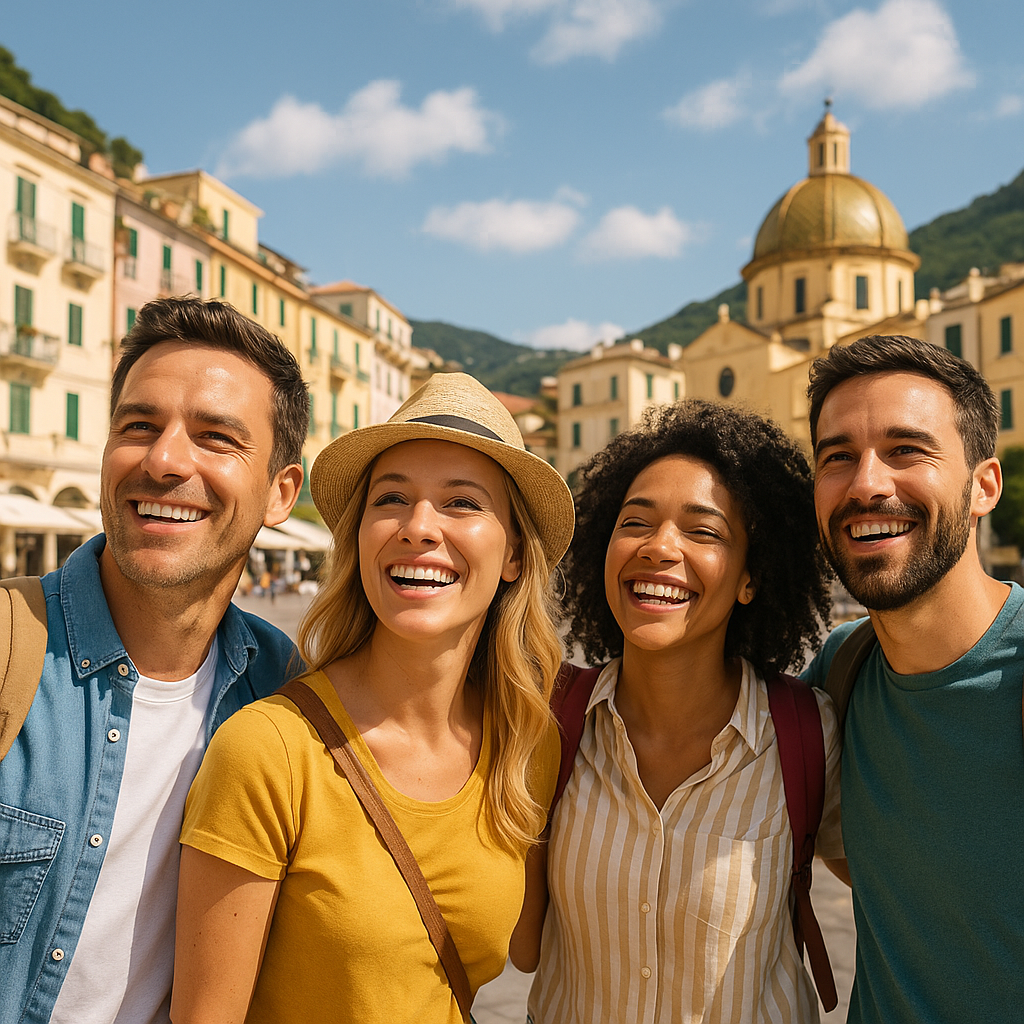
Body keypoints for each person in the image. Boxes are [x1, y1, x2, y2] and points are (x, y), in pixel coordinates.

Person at [171, 372, 575, 1024]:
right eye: (391, 499)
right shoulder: (270, 751)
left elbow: (528, 948)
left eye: (462, 503)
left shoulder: (528, 744)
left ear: (515, 555)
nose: (419, 527)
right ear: (359, 538)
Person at [0, 297, 307, 1024]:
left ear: (281, 493)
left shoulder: (282, 692)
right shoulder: (11, 646)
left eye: (216, 437)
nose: (164, 460)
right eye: (138, 426)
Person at [525, 400, 843, 1023]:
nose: (659, 547)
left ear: (751, 578)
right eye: (634, 523)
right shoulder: (546, 721)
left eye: (703, 532)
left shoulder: (810, 734)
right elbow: (519, 946)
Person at [802, 334, 1024, 1024]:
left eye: (906, 450)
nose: (866, 484)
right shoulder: (841, 669)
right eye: (838, 457)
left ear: (984, 486)